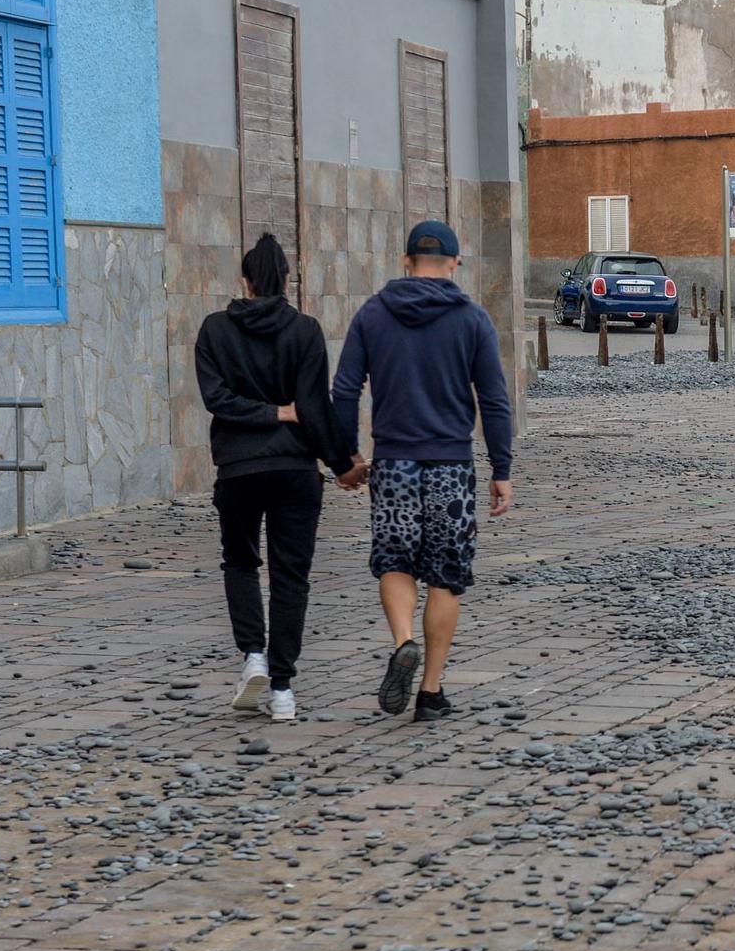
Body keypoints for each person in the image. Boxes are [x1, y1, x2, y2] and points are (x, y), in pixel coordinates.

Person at [332, 220, 514, 721]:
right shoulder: (473, 320)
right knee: (446, 577)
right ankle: (430, 692)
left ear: (406, 262)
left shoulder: (373, 315)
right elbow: (494, 399)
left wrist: (346, 455)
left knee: (394, 560)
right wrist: (502, 466)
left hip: (393, 463)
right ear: (455, 263)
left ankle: (403, 641)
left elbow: (344, 390)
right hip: (452, 465)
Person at [194, 233, 357, 721]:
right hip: (294, 472)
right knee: (291, 576)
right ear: (287, 280)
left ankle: (254, 657)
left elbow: (215, 399)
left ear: (244, 280)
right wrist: (342, 462)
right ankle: (283, 689)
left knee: (240, 563)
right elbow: (313, 406)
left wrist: (265, 413)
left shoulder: (214, 330)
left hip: (238, 470)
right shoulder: (305, 330)